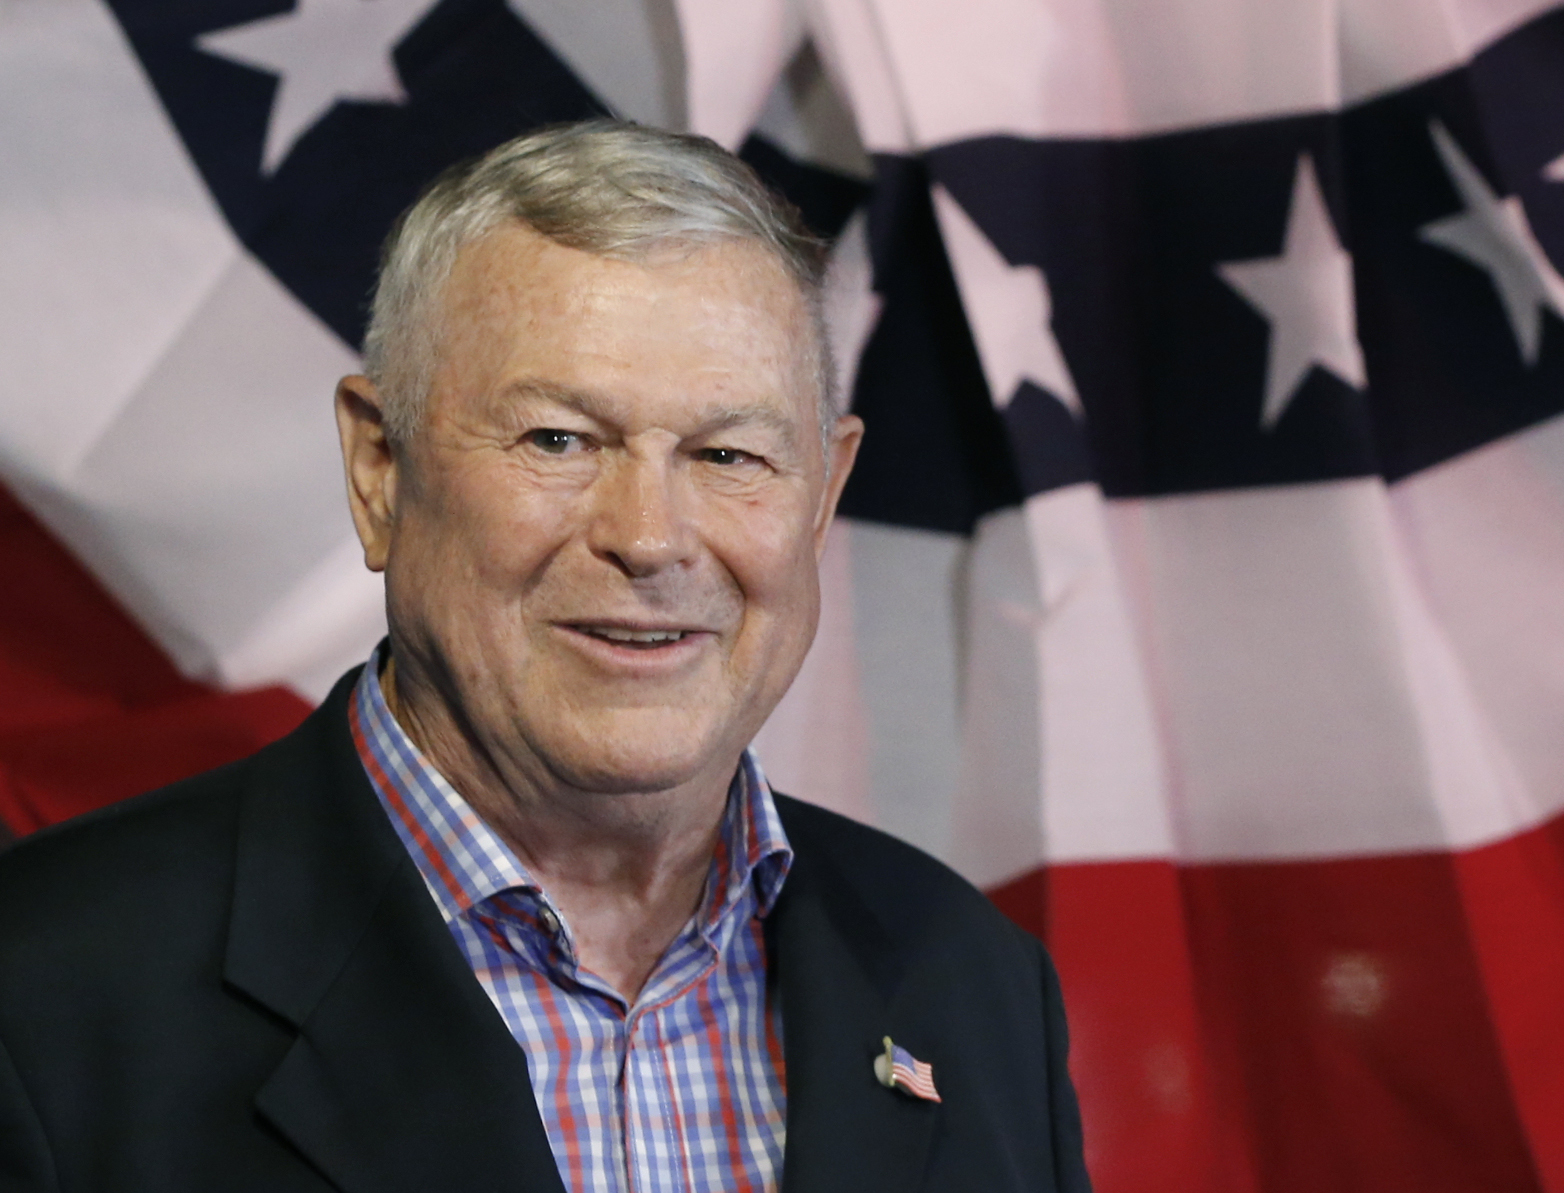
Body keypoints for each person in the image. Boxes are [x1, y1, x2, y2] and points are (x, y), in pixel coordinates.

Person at [0, 121, 1090, 1192]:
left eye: (728, 453)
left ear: (820, 499)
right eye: (559, 439)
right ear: (380, 467)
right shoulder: (43, 986)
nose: (650, 536)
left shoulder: (967, 979)